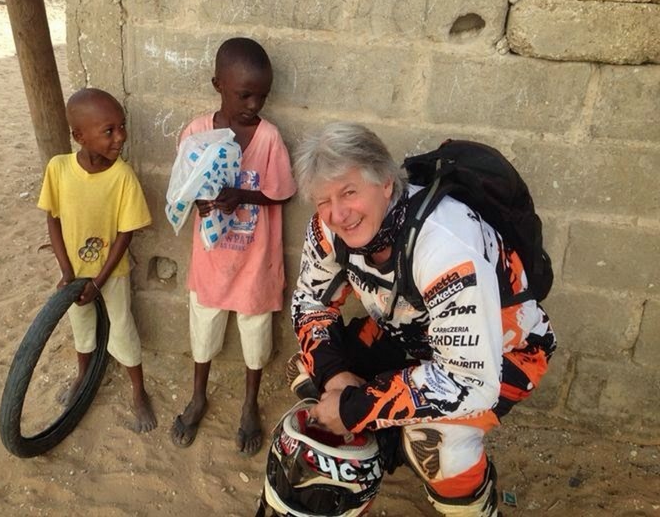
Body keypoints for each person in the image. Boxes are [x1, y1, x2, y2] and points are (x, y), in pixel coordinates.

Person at [289, 122, 556, 516]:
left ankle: (474, 506)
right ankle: (380, 448)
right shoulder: (330, 228)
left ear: (385, 183)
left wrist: (355, 408)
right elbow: (309, 301)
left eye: (349, 192)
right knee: (309, 373)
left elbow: (469, 382)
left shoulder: (445, 246)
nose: (338, 214)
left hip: (503, 355)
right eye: (323, 200)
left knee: (433, 445)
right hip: (410, 335)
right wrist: (335, 377)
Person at [170, 37, 297, 455]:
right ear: (218, 85)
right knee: (203, 326)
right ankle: (198, 396)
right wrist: (200, 201)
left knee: (255, 333)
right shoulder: (197, 133)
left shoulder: (268, 138)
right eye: (244, 95)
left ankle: (249, 404)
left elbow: (281, 192)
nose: (254, 104)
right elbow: (184, 185)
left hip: (254, 260)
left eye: (262, 96)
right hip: (212, 259)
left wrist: (241, 195)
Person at [38, 87, 157, 433]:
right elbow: (53, 219)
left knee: (121, 326)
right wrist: (67, 271)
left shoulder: (122, 177)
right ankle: (83, 375)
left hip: (111, 272)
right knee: (81, 325)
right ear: (80, 136)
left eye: (122, 126)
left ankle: (138, 390)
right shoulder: (58, 169)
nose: (120, 137)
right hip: (75, 273)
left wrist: (100, 280)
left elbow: (125, 233)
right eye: (109, 131)